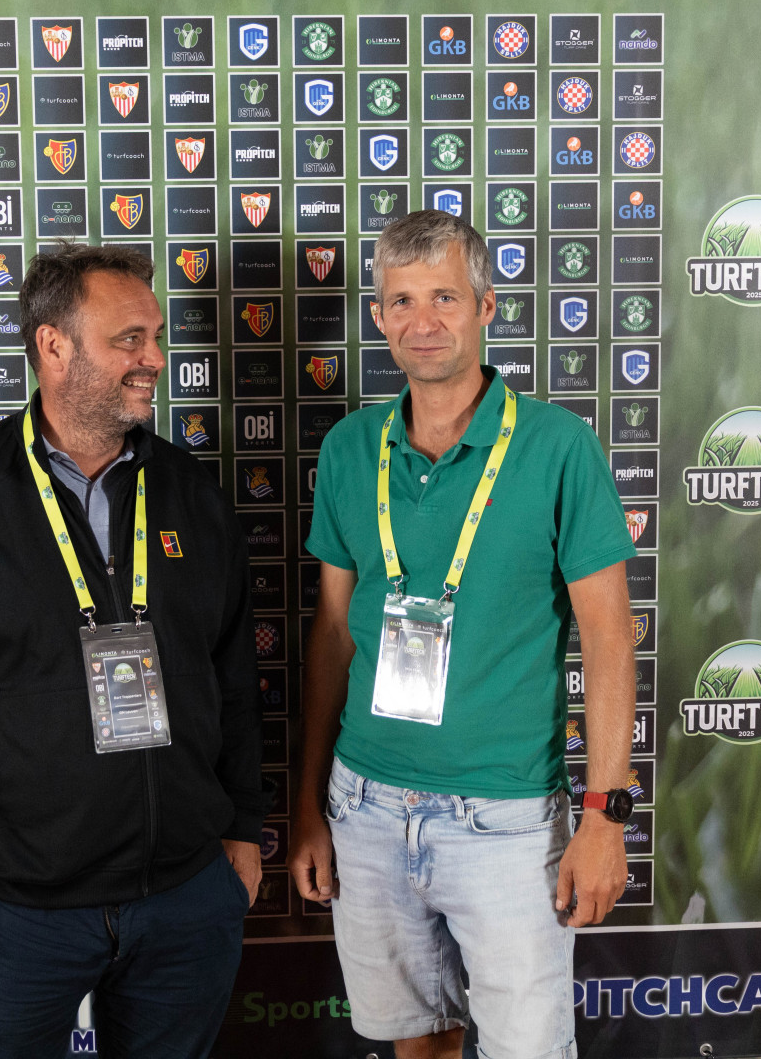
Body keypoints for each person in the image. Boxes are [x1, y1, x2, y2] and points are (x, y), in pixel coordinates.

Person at [0, 242, 268, 1058]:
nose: (155, 360)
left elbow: (231, 678)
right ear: (53, 346)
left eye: (156, 338)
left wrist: (243, 829)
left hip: (184, 899)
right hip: (16, 912)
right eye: (129, 340)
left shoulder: (190, 491)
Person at [287, 210, 638, 1059]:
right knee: (418, 1045)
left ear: (485, 305)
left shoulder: (559, 447)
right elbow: (332, 634)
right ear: (379, 315)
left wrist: (605, 818)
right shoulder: (349, 448)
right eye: (402, 301)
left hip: (506, 820)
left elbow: (610, 638)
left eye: (444, 297)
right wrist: (308, 806)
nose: (424, 321)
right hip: (366, 807)